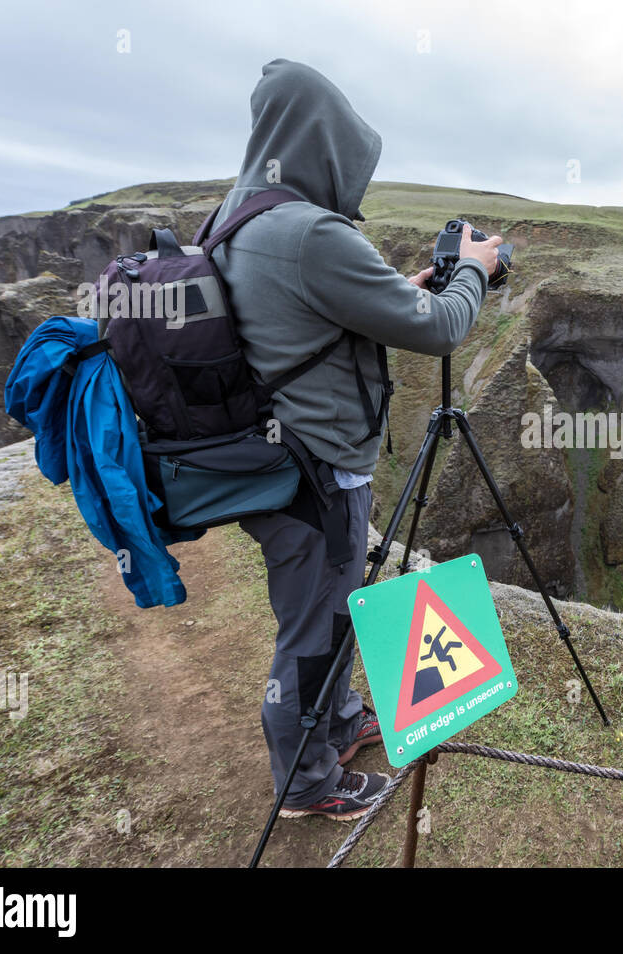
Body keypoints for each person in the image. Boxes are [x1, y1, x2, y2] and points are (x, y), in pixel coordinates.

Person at [208, 58, 504, 821]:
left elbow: (307, 313)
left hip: (272, 461)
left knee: (329, 605)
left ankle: (336, 724)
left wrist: (399, 288)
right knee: (315, 624)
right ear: (321, 143)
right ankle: (307, 782)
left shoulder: (238, 222)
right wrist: (471, 271)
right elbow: (441, 332)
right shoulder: (309, 232)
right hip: (319, 467)